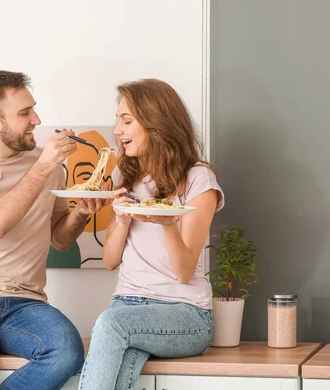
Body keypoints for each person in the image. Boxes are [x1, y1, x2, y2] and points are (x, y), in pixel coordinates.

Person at [0, 69, 109, 390]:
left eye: (34, 109)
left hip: (25, 303)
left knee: (67, 353)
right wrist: (43, 166)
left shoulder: (47, 165)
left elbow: (60, 239)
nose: (36, 120)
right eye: (24, 113)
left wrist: (81, 213)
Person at [78, 79, 224, 390]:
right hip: (127, 306)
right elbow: (109, 260)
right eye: (118, 119)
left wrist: (167, 222)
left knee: (111, 324)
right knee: (124, 354)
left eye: (126, 121)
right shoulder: (126, 176)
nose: (117, 130)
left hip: (185, 315)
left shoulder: (198, 179)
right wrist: (121, 216)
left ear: (156, 122)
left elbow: (184, 272)